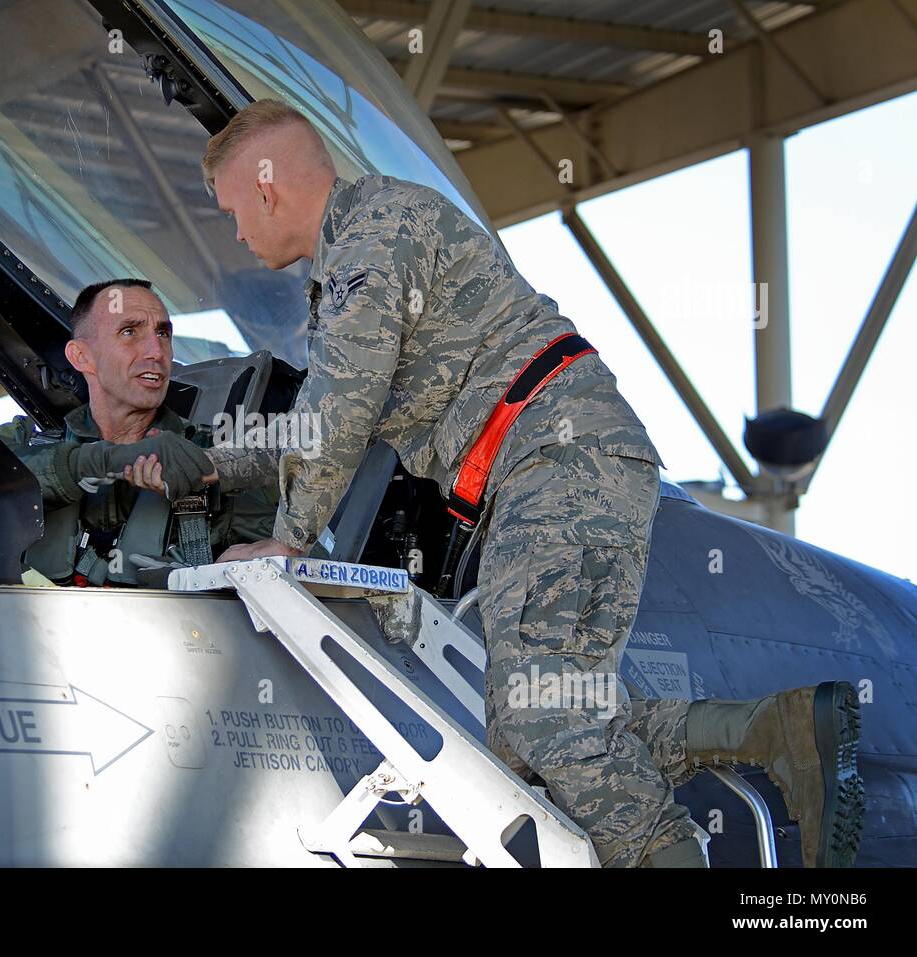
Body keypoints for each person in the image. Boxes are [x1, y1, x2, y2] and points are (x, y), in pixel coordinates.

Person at [133, 99, 862, 867]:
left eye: (232, 212)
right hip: (564, 460)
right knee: (530, 722)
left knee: (541, 715)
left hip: (555, 459)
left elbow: (338, 416)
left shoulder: (371, 240)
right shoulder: (364, 242)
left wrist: (288, 539)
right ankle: (770, 733)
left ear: (267, 188)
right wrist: (207, 463)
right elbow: (328, 416)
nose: (236, 234)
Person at [0, 278, 274, 586]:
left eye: (163, 334)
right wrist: (110, 459)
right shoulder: (22, 442)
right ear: (81, 356)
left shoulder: (221, 457)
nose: (156, 351)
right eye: (129, 332)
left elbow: (286, 554)